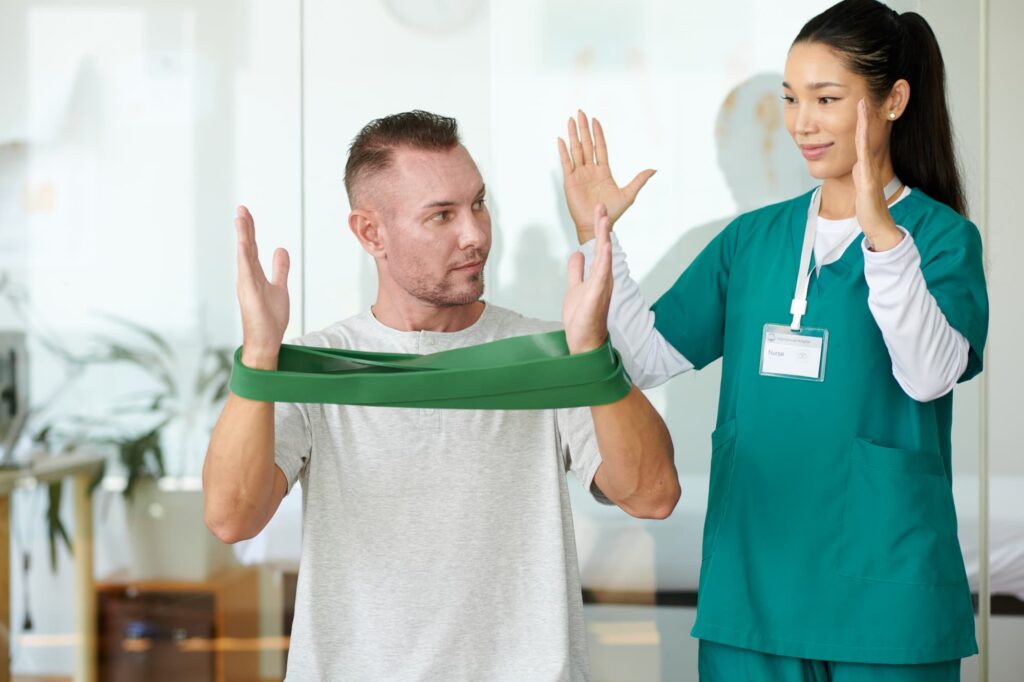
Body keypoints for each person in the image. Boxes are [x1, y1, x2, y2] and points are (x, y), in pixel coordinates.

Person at [558, 1, 988, 680]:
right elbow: (646, 358)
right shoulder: (751, 240)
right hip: (752, 589)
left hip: (885, 593)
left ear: (894, 100)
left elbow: (929, 375)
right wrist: (598, 236)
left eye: (826, 98)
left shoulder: (939, 239)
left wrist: (882, 235)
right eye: (791, 98)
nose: (801, 122)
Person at [202, 110, 680, 681]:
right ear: (371, 233)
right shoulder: (317, 366)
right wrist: (259, 357)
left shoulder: (551, 356)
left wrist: (594, 354)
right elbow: (232, 518)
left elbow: (652, 496)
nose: (475, 235)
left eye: (478, 204)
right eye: (442, 215)